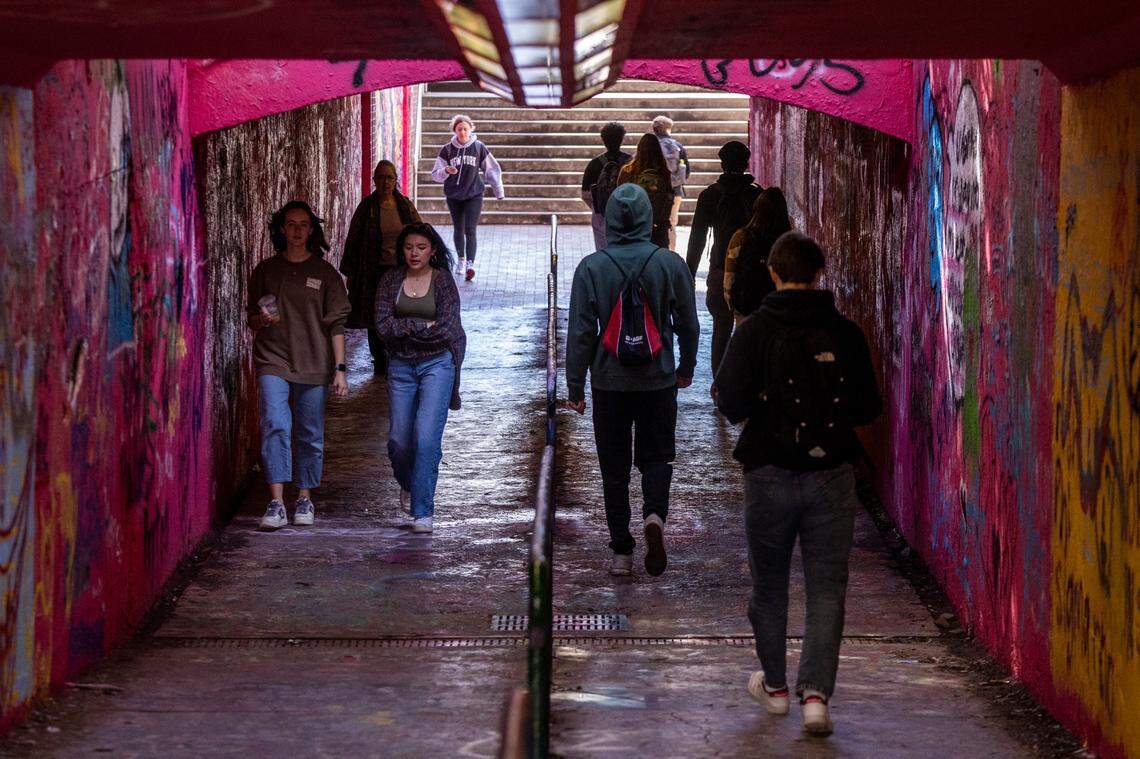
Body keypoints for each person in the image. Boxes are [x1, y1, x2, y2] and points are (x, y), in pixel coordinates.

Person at [712, 231, 881, 737]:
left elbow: (730, 401)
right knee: (827, 589)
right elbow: (869, 406)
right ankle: (816, 697)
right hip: (832, 476)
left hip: (767, 473)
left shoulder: (755, 331)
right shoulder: (845, 333)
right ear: (819, 274)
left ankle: (777, 688)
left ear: (773, 272)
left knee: (769, 586)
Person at [565, 183, 699, 577]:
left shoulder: (591, 267)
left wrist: (575, 386)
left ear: (609, 219)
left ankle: (622, 549)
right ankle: (654, 517)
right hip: (658, 382)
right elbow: (688, 325)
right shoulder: (669, 264)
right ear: (647, 218)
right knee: (657, 457)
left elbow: (580, 333)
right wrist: (686, 368)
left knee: (614, 467)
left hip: (609, 383)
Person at [247, 201, 351, 531]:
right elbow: (251, 317)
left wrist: (340, 368)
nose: (296, 231)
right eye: (290, 225)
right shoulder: (265, 270)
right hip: (273, 359)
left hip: (314, 362)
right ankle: (276, 501)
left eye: (303, 225)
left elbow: (336, 324)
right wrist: (259, 320)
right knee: (275, 423)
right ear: (281, 229)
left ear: (311, 230)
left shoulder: (325, 274)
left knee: (309, 433)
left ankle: (304, 495)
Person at [374, 222, 466, 534]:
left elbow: (448, 328)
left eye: (422, 247)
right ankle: (409, 482)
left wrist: (407, 328)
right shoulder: (390, 280)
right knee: (399, 441)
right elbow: (384, 328)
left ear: (433, 251)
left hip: (437, 365)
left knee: (426, 437)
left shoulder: (442, 282)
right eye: (409, 247)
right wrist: (420, 327)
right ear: (402, 250)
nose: (415, 253)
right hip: (400, 366)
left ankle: (423, 510)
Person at [685, 140, 762, 377]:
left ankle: (718, 383)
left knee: (721, 326)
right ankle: (746, 381)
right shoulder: (758, 195)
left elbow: (697, 239)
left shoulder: (709, 196)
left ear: (721, 163)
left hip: (720, 269)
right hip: (751, 271)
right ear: (746, 162)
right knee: (749, 328)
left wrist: (688, 274)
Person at [340, 160, 422, 375]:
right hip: (373, 272)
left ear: (395, 180)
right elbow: (354, 240)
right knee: (375, 318)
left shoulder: (405, 207)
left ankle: (397, 356)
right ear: (375, 180)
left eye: (390, 178)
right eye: (381, 177)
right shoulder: (367, 208)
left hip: (400, 272)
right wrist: (350, 273)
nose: (386, 182)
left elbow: (420, 234)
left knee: (401, 315)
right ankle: (380, 359)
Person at [430, 114, 504, 282]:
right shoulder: (447, 149)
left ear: (471, 129)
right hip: (454, 195)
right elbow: (436, 174)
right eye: (459, 129)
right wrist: (445, 171)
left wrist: (498, 190)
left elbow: (491, 169)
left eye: (465, 128)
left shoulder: (478, 147)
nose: (462, 132)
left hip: (474, 193)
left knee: (470, 228)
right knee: (458, 227)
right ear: (454, 131)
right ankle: (461, 260)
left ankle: (470, 264)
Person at [723, 187, 792, 322]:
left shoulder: (741, 236)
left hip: (747, 307)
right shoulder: (789, 240)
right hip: (777, 308)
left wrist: (732, 305)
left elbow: (729, 275)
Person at [580, 121, 633, 251]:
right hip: (626, 214)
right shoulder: (631, 162)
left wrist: (597, 206)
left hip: (601, 214)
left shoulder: (594, 164)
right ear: (622, 139)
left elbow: (585, 194)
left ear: (603, 139)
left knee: (603, 250)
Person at [618, 133, 675, 248]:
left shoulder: (627, 171)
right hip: (658, 228)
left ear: (639, 149)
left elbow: (619, 199)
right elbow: (669, 197)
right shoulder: (664, 173)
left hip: (633, 229)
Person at [652, 115, 690, 250]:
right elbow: (687, 172)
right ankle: (671, 254)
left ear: (654, 129)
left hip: (653, 192)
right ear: (668, 129)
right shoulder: (677, 146)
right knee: (671, 224)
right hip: (675, 191)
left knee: (652, 223)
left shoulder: (649, 146)